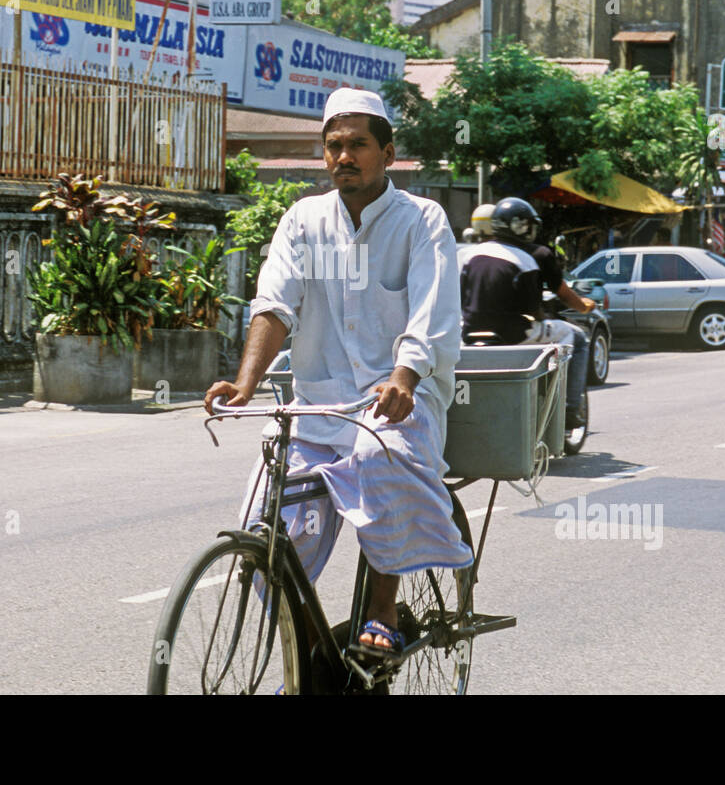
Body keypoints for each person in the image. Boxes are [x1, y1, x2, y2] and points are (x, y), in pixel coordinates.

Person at [204, 87, 472, 663]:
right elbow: (274, 304)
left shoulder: (421, 221)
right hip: (319, 408)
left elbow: (432, 313)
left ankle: (383, 608)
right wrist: (245, 382)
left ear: (388, 153)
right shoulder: (304, 221)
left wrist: (404, 375)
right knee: (265, 520)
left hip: (402, 399)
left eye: (358, 145)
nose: (344, 157)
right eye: (334, 146)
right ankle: (308, 653)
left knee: (380, 459)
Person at [459, 197, 596, 429]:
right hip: (513, 334)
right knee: (574, 337)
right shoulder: (527, 259)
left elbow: (460, 296)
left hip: (469, 332)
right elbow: (533, 312)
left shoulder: (470, 255)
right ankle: (570, 409)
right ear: (521, 226)